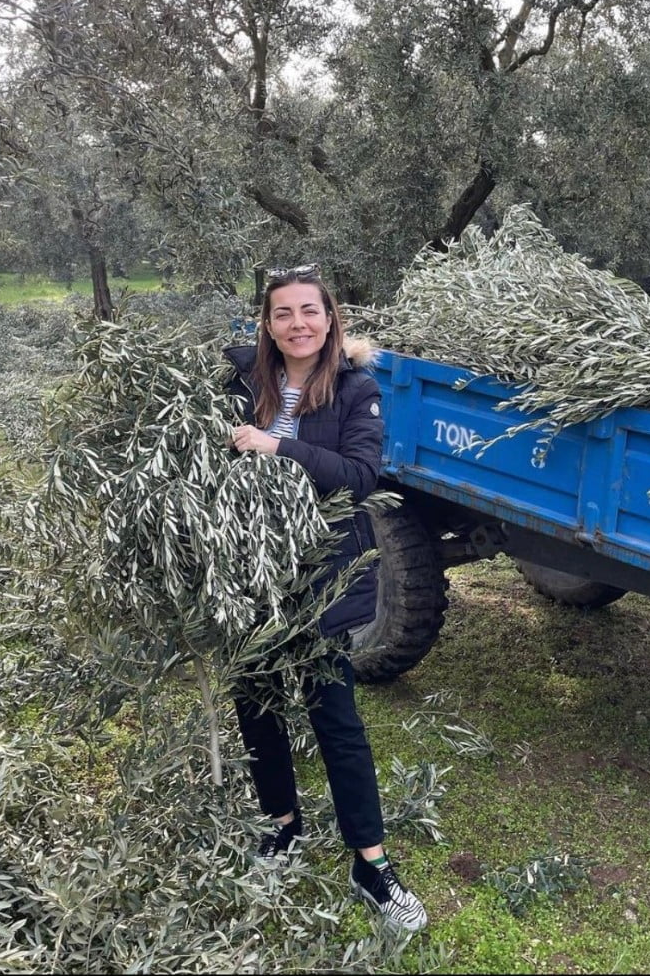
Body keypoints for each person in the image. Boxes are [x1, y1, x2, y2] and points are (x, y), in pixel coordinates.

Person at [223, 263, 428, 933]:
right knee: (255, 703)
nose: (298, 324)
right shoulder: (241, 379)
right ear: (267, 323)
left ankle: (371, 864)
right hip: (249, 573)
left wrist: (274, 444)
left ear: (330, 317)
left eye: (309, 310)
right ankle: (280, 825)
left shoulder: (354, 388)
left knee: (333, 713)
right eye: (283, 313)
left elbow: (361, 475)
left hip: (319, 577)